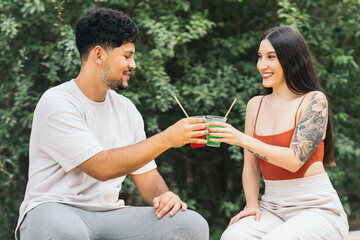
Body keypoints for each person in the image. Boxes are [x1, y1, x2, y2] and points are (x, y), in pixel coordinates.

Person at [15, 8, 209, 240]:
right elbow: (102, 168)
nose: (133, 64)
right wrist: (167, 139)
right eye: (127, 56)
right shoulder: (57, 102)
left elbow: (146, 175)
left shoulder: (126, 109)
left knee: (190, 225)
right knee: (68, 233)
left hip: (108, 215)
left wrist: (164, 195)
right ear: (99, 55)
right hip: (52, 209)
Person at [208, 26, 349, 239]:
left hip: (316, 207)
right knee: (232, 236)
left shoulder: (314, 101)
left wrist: (241, 139)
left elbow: (293, 161)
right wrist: (252, 204)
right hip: (271, 206)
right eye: (260, 57)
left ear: (291, 59)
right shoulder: (255, 105)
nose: (261, 65)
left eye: (271, 57)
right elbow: (251, 166)